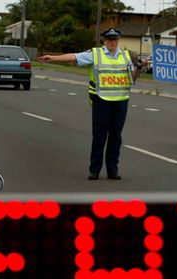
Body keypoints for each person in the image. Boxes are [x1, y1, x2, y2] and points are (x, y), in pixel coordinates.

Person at [37, 28, 146, 180]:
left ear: (118, 40)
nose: (112, 42)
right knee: (99, 137)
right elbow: (75, 57)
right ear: (104, 41)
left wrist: (139, 67)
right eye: (109, 39)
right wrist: (53, 58)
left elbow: (131, 79)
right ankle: (94, 170)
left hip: (121, 101)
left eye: (115, 39)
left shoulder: (125, 55)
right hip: (102, 101)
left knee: (116, 137)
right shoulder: (96, 54)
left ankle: (112, 170)